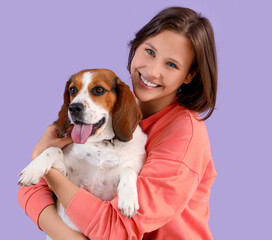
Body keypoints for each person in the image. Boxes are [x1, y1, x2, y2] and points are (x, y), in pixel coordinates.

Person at [18, 6, 218, 240]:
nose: (152, 72)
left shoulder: (184, 137)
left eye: (171, 64)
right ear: (136, 45)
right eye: (150, 52)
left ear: (189, 75)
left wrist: (42, 160)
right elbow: (29, 189)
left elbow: (116, 228)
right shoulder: (103, 111)